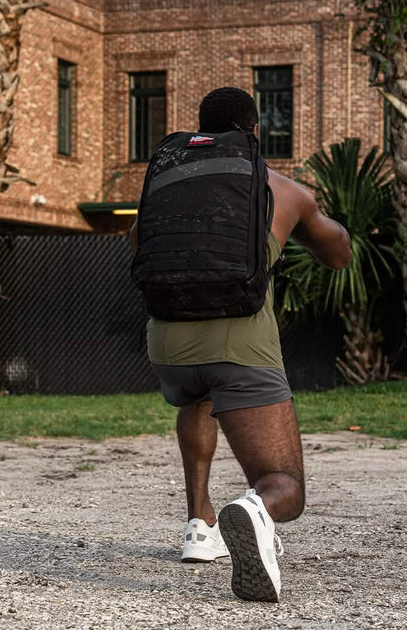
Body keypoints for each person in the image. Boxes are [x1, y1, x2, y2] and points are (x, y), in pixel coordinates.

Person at [130, 87, 351, 602]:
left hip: (167, 344)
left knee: (199, 397)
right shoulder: (281, 189)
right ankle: (255, 511)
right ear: (253, 132)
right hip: (240, 345)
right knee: (285, 484)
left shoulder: (168, 181)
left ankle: (199, 525)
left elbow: (138, 243)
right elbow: (337, 253)